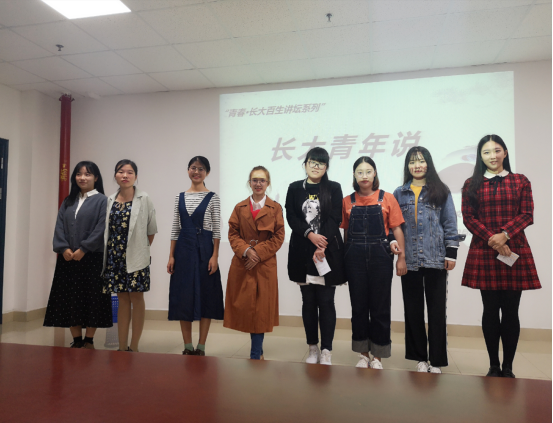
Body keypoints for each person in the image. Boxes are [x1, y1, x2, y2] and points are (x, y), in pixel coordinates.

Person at [462, 135, 541, 379]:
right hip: (485, 251)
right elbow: (469, 218)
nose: (492, 156)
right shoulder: (471, 184)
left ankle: (508, 367)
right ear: (480, 156)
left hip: (513, 249)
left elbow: (527, 214)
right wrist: (493, 239)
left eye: (497, 150)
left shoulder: (520, 181)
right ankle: (493, 365)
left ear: (505, 152)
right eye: (486, 152)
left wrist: (505, 235)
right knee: (489, 309)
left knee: (511, 310)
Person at [394, 147, 460, 374]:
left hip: (436, 258)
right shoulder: (399, 193)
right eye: (413, 162)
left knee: (437, 312)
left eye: (421, 161)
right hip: (409, 260)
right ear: (407, 166)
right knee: (412, 311)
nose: (417, 165)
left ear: (428, 163)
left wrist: (451, 253)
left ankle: (437, 360)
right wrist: (399, 255)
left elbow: (450, 223)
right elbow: (395, 227)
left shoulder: (441, 190)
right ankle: (420, 359)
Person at [342, 156, 407, 370]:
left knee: (380, 307)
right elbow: (346, 234)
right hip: (354, 258)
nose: (364, 176)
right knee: (358, 306)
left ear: (375, 173)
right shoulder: (347, 200)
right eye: (359, 172)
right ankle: (363, 354)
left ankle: (378, 356)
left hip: (381, 257)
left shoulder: (387, 198)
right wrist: (345, 259)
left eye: (368, 171)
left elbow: (396, 228)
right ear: (354, 175)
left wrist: (401, 257)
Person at [286, 148, 346, 366]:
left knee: (327, 302)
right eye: (312, 162)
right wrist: (310, 235)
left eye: (321, 163)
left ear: (326, 167)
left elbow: (335, 217)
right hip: (302, 252)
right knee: (308, 302)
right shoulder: (295, 188)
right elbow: (291, 216)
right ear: (305, 164)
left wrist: (321, 244)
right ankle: (312, 347)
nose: (316, 166)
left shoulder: (334, 188)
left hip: (327, 252)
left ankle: (326, 350)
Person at [45, 161, 112, 349]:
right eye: (79, 174)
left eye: (87, 174)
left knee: (92, 299)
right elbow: (59, 226)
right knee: (70, 299)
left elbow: (102, 228)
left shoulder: (103, 201)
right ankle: (76, 340)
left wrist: (84, 248)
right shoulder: (68, 201)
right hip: (68, 258)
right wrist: (63, 248)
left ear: (96, 178)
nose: (83, 178)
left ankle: (89, 340)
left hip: (92, 258)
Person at [224, 166, 285, 360]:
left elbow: (279, 236)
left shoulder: (275, 208)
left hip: (264, 265)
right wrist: (246, 251)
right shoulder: (239, 207)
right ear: (249, 183)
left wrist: (257, 253)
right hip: (243, 263)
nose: (258, 184)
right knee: (247, 308)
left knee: (261, 310)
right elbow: (233, 233)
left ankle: (255, 353)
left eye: (262, 180)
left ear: (268, 183)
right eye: (255, 180)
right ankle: (258, 351)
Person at [167, 156, 224, 356]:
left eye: (201, 169)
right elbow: (175, 228)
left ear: (207, 172)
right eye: (193, 168)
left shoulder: (213, 197)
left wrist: (215, 256)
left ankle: (201, 346)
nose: (196, 172)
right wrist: (171, 255)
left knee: (206, 296)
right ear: (188, 170)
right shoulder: (179, 197)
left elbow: (216, 230)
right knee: (184, 296)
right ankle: (187, 346)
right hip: (183, 250)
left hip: (205, 250)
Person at [103, 160, 157, 353]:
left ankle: (134, 346)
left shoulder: (144, 198)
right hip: (115, 257)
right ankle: (122, 346)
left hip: (137, 257)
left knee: (136, 298)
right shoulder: (110, 200)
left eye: (130, 172)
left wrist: (140, 251)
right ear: (115, 175)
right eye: (121, 171)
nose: (125, 175)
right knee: (122, 299)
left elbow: (151, 230)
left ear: (136, 176)